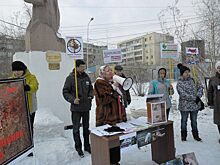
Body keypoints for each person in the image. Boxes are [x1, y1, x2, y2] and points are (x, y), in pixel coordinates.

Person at [94, 65, 127, 165]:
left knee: (115, 142)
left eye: (111, 70)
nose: (111, 72)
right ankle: (107, 162)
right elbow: (105, 100)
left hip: (115, 118)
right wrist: (114, 89)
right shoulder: (99, 83)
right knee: (107, 143)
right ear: (102, 73)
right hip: (106, 118)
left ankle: (115, 161)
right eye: (108, 71)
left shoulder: (111, 82)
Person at [62, 60, 93, 158]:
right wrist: (73, 99)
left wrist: (90, 96)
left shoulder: (86, 77)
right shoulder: (70, 78)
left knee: (86, 128)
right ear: (77, 67)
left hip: (86, 107)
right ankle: (78, 147)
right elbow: (65, 92)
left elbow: (91, 89)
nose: (84, 69)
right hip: (76, 108)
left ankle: (87, 146)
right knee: (76, 129)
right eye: (82, 67)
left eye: (84, 67)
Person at [12, 61, 39, 156]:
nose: (17, 72)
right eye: (15, 70)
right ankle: (19, 147)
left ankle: (29, 148)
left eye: (19, 70)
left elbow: (35, 87)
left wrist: (27, 87)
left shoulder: (31, 77)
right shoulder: (12, 79)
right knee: (18, 129)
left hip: (29, 108)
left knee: (29, 129)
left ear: (24, 70)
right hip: (18, 110)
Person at [176, 63, 203, 141]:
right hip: (184, 106)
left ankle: (196, 135)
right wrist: (195, 98)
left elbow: (200, 87)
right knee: (184, 121)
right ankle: (183, 136)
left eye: (188, 72)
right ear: (182, 73)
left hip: (194, 106)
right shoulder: (179, 82)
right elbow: (182, 94)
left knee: (194, 121)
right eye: (185, 72)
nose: (187, 73)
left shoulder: (193, 80)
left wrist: (198, 96)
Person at [207, 61, 220, 143]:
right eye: (219, 67)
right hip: (217, 103)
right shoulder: (213, 79)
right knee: (219, 121)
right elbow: (210, 92)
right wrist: (210, 102)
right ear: (216, 68)